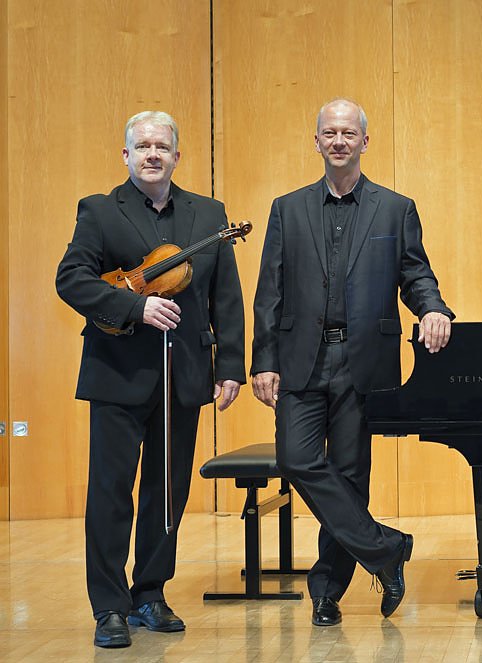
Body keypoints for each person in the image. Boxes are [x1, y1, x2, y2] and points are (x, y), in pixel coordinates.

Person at [251, 98, 454, 626]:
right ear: (316, 141)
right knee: (295, 459)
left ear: (365, 141)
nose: (338, 141)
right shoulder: (286, 209)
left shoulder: (395, 208)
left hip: (363, 360)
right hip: (301, 358)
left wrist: (433, 309)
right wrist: (263, 359)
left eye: (348, 133)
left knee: (348, 475)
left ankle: (327, 591)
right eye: (329, 133)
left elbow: (415, 274)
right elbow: (269, 291)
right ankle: (385, 548)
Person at [55, 111, 246, 648]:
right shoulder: (99, 211)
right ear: (126, 155)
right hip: (117, 373)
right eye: (142, 146)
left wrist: (230, 366)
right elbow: (71, 279)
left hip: (183, 374)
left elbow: (226, 296)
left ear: (177, 156)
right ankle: (109, 606)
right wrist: (135, 307)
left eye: (162, 146)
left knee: (167, 492)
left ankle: (150, 594)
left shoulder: (209, 214)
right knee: (111, 492)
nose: (152, 154)